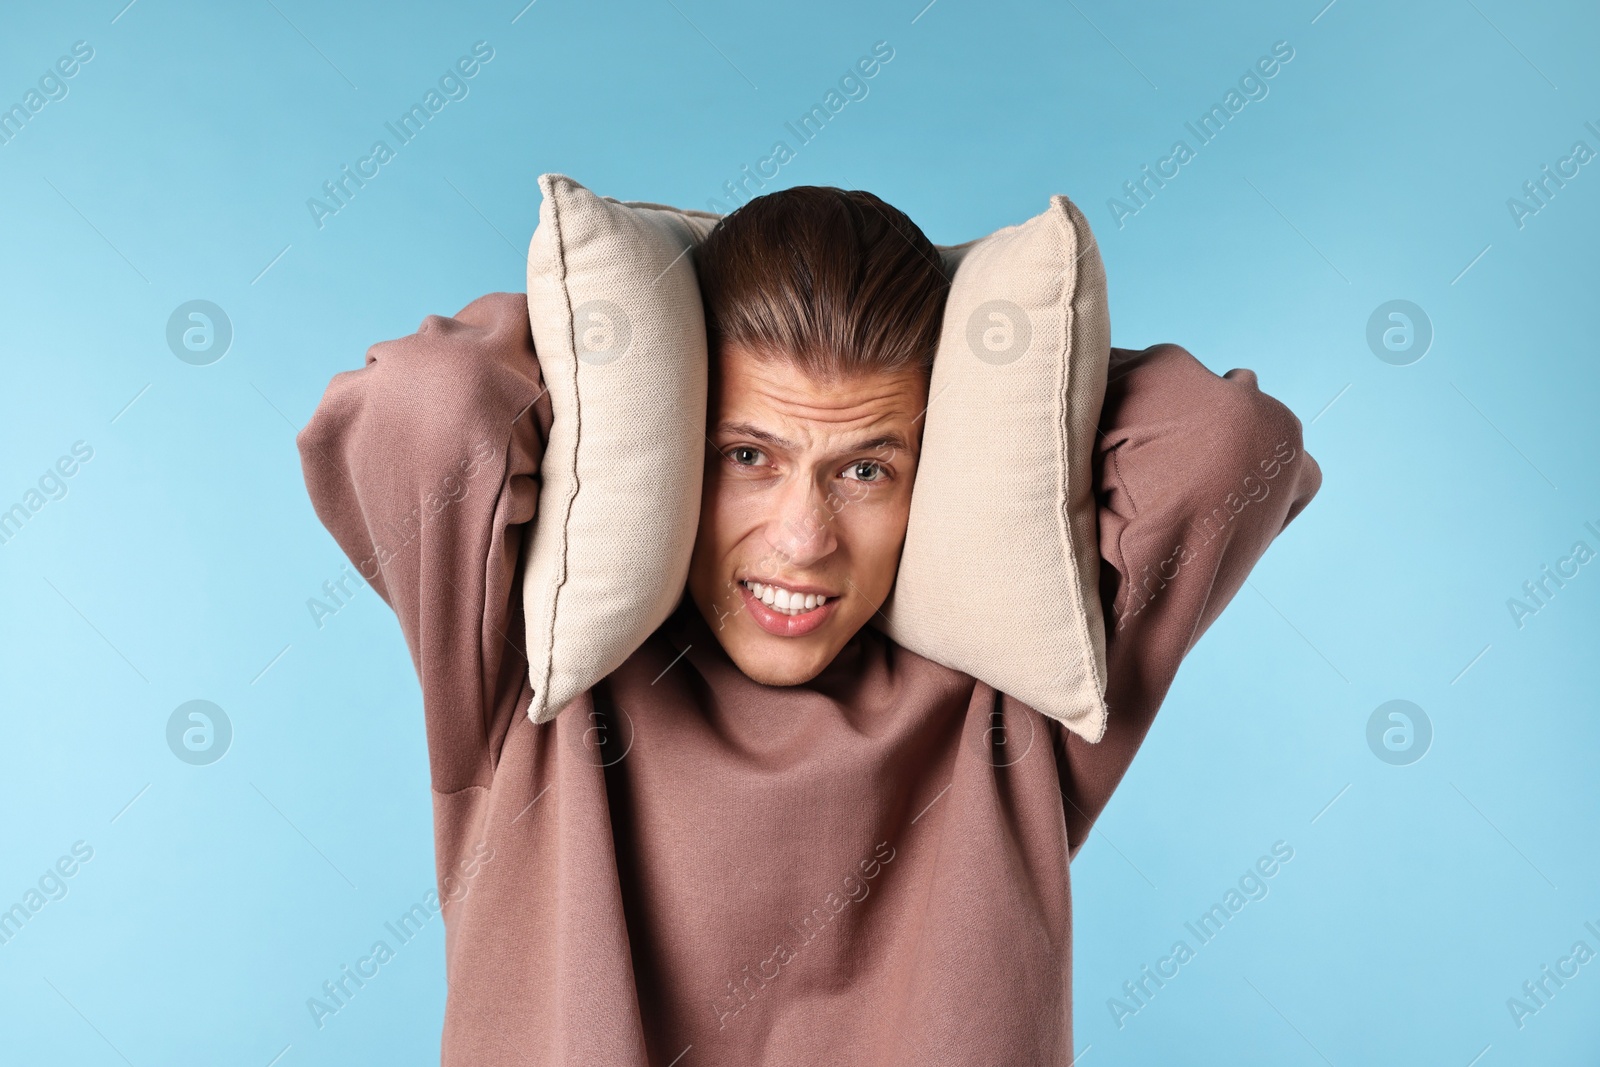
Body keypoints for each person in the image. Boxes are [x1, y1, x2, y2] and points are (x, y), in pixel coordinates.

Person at [297, 186, 1321, 1065]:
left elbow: (1228, 448)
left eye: (866, 468)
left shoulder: (1021, 697)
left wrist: (998, 343)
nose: (802, 537)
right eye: (746, 454)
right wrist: (626, 330)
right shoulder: (528, 662)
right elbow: (420, 411)